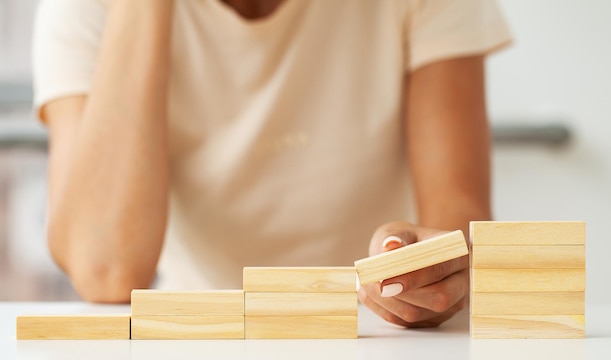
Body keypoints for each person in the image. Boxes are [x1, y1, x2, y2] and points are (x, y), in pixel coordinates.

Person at [32, 0, 511, 327]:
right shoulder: (84, 9)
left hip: (380, 336)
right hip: (205, 338)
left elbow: (458, 210)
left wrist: (425, 270)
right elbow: (106, 269)